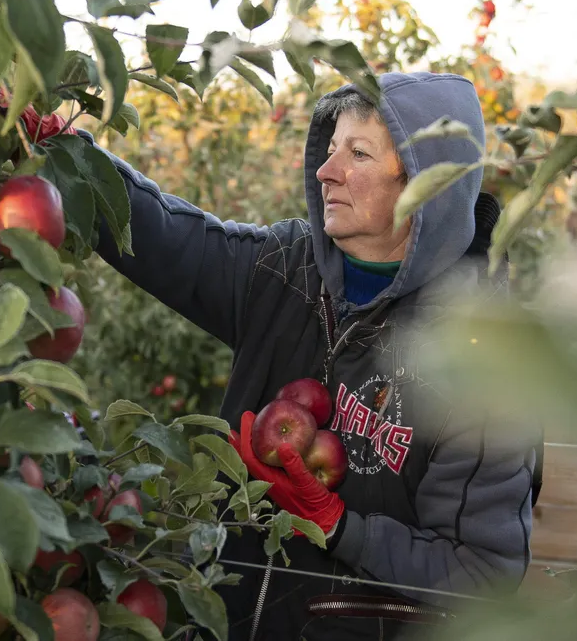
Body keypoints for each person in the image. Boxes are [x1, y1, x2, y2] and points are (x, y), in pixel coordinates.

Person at [83, 70, 541, 640]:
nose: (326, 172)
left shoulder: (479, 360)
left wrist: (341, 526)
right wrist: (64, 152)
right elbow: (166, 237)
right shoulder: (285, 271)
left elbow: (483, 572)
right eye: (329, 151)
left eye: (359, 153)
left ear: (427, 187)